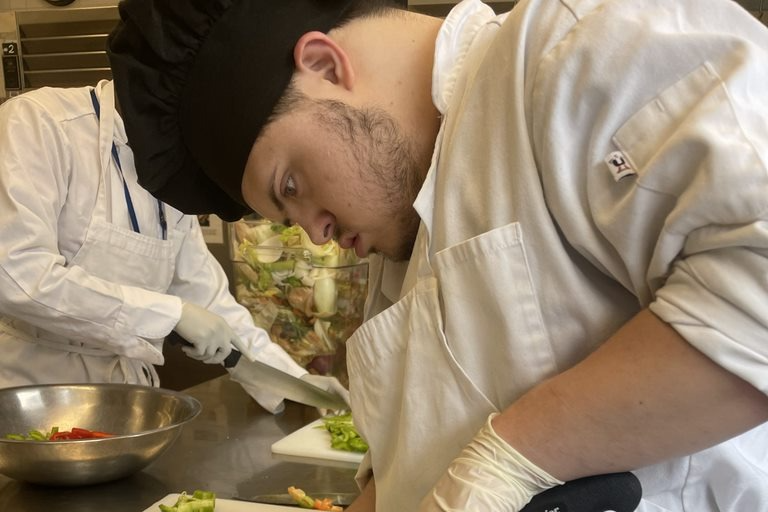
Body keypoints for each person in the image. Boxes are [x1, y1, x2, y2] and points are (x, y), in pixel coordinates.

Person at [106, 0, 768, 510]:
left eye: (292, 187)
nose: (314, 234)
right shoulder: (404, 257)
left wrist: (509, 459)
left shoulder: (572, 48)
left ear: (325, 64)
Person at [0, 79, 346, 414]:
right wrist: (167, 315)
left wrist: (296, 382)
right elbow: (16, 274)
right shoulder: (39, 123)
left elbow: (208, 302)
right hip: (31, 398)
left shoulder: (169, 169)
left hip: (126, 403)